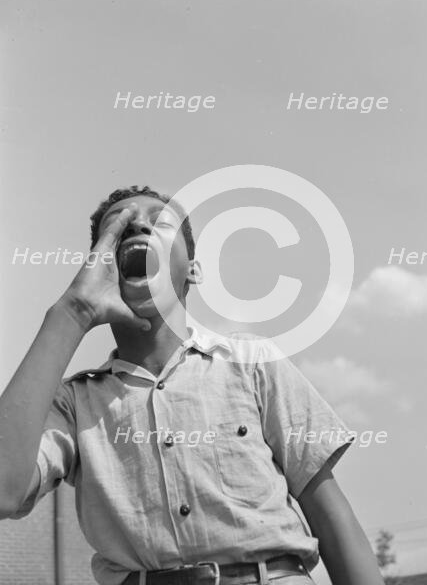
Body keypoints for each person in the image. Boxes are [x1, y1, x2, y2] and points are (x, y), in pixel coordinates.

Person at [0, 186, 384, 585]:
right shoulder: (74, 404)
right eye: (119, 228)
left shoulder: (251, 362)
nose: (139, 226)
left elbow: (331, 514)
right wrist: (73, 311)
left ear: (193, 269)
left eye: (159, 222)